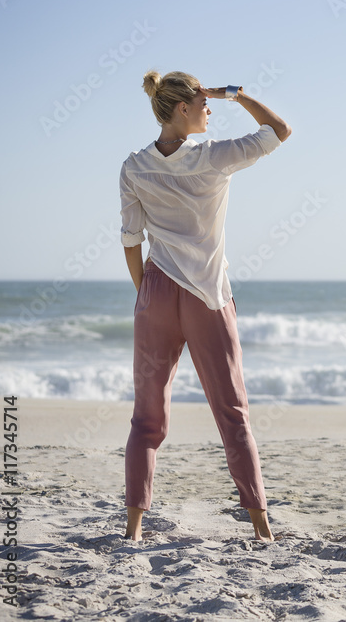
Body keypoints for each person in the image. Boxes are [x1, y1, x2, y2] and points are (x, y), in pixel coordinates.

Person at [119, 70, 292, 541]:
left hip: (156, 291)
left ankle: (134, 530)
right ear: (182, 109)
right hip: (207, 295)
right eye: (203, 103)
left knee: (146, 417)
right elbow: (278, 130)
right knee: (232, 414)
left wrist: (145, 294)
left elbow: (131, 239)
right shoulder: (213, 157)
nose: (209, 110)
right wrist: (235, 95)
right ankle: (262, 529)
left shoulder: (134, 165)